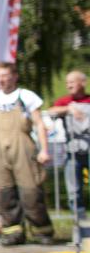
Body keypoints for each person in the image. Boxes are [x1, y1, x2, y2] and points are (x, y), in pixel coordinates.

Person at [0, 62, 54, 245]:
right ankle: (13, 233)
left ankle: (42, 232)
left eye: (5, 75)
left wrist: (44, 149)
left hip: (23, 147)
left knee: (31, 192)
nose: (2, 80)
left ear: (14, 76)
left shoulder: (26, 96)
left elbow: (38, 124)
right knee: (4, 193)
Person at [48, 69, 89, 218]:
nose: (68, 85)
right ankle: (81, 225)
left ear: (82, 83)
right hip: (73, 152)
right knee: (74, 190)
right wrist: (69, 109)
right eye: (67, 83)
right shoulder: (65, 101)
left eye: (72, 82)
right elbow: (51, 111)